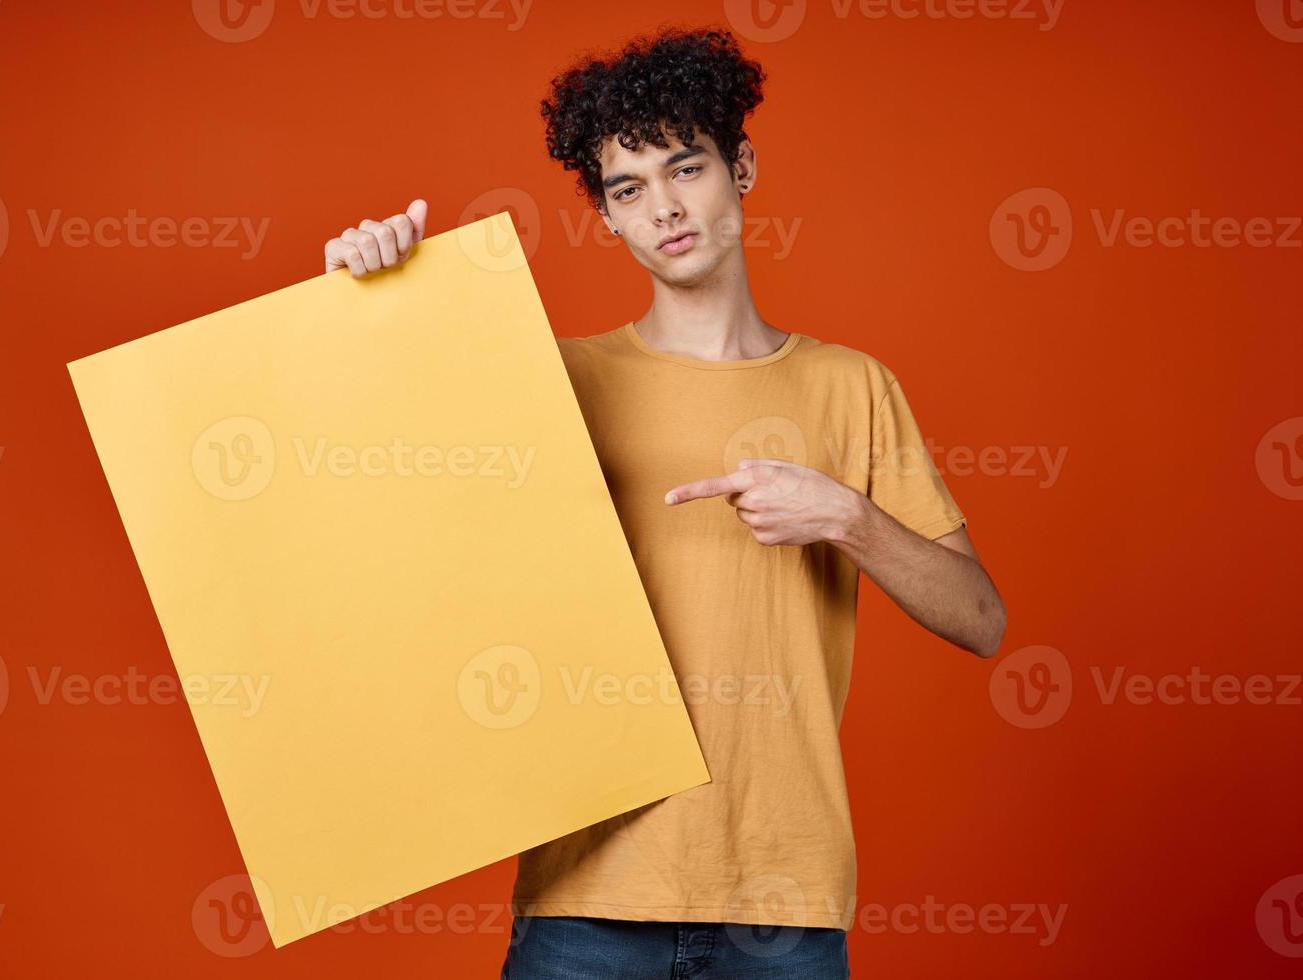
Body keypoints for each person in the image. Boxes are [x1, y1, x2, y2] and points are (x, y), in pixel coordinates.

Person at [322, 26, 1006, 980]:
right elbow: (375, 512)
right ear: (607, 217)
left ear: (743, 166)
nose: (664, 209)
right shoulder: (551, 383)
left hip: (783, 901)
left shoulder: (853, 387)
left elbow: (981, 620)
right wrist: (369, 300)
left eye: (686, 168)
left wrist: (844, 516)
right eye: (627, 189)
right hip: (583, 902)